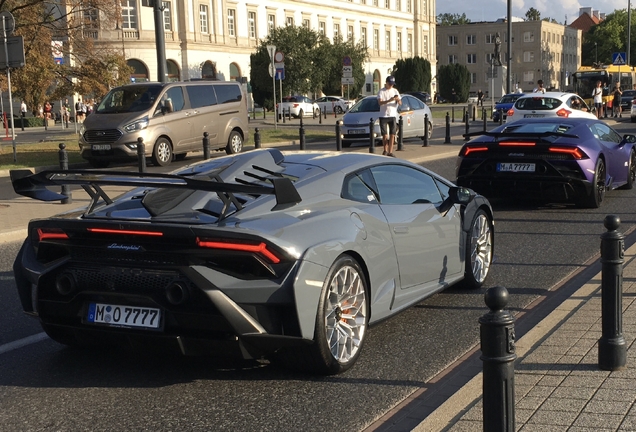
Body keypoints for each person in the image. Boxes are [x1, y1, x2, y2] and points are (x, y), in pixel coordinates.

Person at [377, 75, 401, 157]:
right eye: (390, 84)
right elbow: (380, 103)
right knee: (384, 135)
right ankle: (385, 150)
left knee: (392, 134)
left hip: (392, 115)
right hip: (383, 115)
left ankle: (390, 152)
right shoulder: (381, 91)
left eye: (392, 84)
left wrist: (397, 100)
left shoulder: (395, 91)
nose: (391, 85)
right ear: (386, 83)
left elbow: (400, 103)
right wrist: (389, 100)